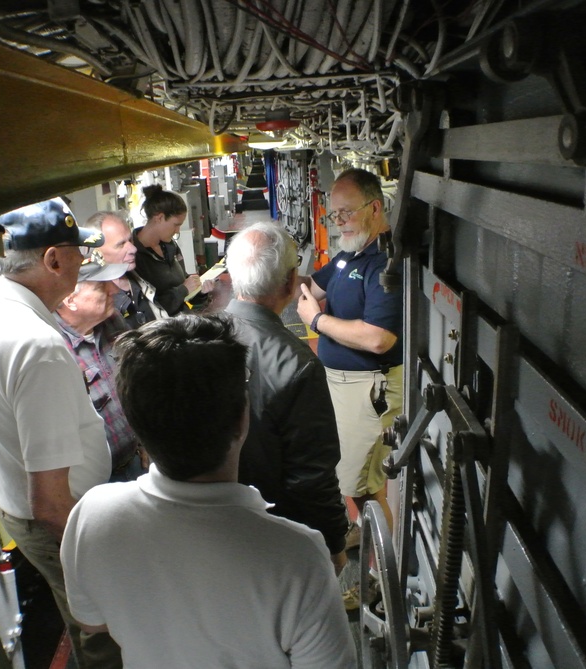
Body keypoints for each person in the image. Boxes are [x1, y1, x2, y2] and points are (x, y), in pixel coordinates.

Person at [60, 315, 358, 669]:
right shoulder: (298, 555)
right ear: (242, 419)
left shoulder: (90, 515)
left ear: (134, 421)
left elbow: (92, 621)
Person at [0, 197, 121, 668]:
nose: (84, 264)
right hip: (57, 519)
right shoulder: (38, 345)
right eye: (78, 254)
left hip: (19, 514)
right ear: (52, 259)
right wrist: (101, 558)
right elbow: (50, 501)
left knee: (78, 616)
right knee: (104, 631)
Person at [224, 223, 348, 576]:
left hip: (211, 525)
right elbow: (311, 474)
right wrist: (334, 542)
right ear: (292, 282)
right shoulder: (298, 364)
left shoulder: (198, 337)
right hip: (276, 534)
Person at [296, 168, 403, 547]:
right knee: (353, 477)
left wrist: (318, 321)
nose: (338, 222)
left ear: (375, 208)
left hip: (367, 390)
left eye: (345, 213)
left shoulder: (383, 263)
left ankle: (383, 580)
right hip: (339, 385)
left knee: (363, 487)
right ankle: (366, 536)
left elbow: (378, 339)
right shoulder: (349, 256)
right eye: (333, 215)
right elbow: (311, 284)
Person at [54, 253, 146, 482]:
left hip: (137, 457)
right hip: (98, 480)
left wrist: (146, 440)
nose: (114, 290)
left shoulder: (111, 320)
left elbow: (137, 381)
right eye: (101, 287)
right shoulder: (55, 349)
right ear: (70, 299)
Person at [133, 184, 214, 316]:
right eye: (175, 225)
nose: (177, 231)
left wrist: (200, 291)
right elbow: (148, 307)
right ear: (159, 218)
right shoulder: (135, 257)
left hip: (183, 318)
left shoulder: (170, 246)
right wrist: (183, 290)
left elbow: (184, 284)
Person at [86, 210, 162, 327]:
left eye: (130, 240)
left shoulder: (142, 276)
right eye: (121, 244)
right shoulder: (94, 301)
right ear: (96, 251)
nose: (133, 249)